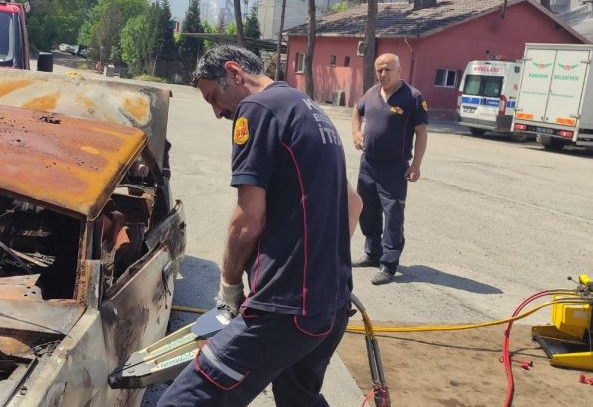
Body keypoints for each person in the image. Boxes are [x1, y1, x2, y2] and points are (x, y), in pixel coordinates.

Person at [157, 45, 360, 407]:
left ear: (234, 73)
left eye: (214, 98)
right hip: (330, 308)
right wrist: (320, 275)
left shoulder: (257, 109)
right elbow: (353, 204)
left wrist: (229, 288)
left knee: (183, 401)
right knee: (299, 399)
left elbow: (248, 220)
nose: (218, 113)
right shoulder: (309, 109)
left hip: (283, 311)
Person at [351, 53, 428, 285]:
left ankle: (389, 264)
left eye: (387, 70)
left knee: (393, 215)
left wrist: (416, 165)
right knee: (367, 210)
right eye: (379, 70)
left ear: (399, 71)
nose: (383, 74)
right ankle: (372, 253)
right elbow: (356, 110)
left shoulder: (413, 97)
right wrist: (356, 132)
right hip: (368, 163)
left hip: (394, 167)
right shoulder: (371, 93)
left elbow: (421, 132)